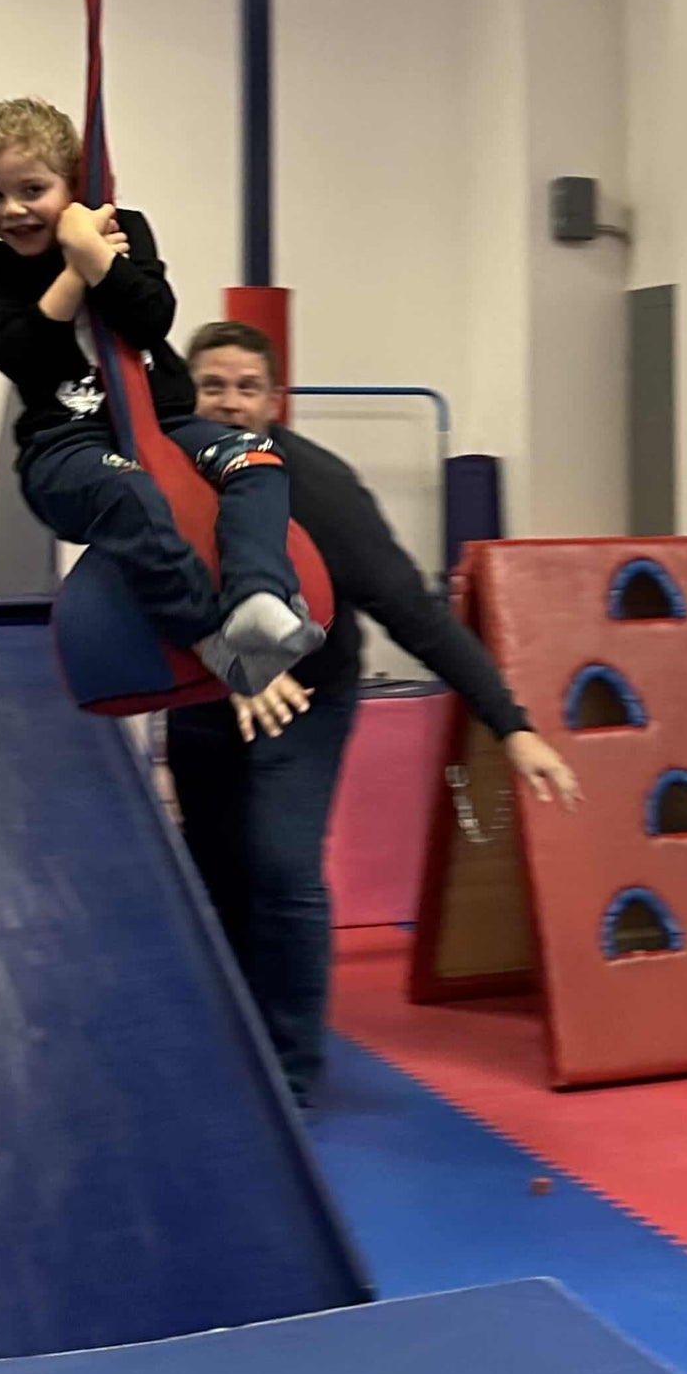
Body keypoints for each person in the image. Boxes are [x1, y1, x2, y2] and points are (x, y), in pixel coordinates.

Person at [166, 318, 579, 1108]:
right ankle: (227, 1039)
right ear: (190, 394)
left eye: (247, 388)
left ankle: (287, 1075)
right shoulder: (164, 478)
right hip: (205, 689)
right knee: (214, 868)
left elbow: (412, 613)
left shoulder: (318, 490)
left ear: (275, 401)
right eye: (212, 386)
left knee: (281, 863)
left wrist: (512, 723)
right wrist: (226, 663)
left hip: (306, 693)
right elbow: (144, 587)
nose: (229, 402)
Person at [0, 98, 324, 696]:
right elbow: (22, 356)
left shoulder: (125, 227)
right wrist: (79, 265)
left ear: (72, 185)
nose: (14, 210)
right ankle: (208, 635)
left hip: (165, 421)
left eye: (32, 190)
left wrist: (99, 251)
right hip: (65, 446)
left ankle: (257, 595)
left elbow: (152, 318)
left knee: (257, 457)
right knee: (129, 491)